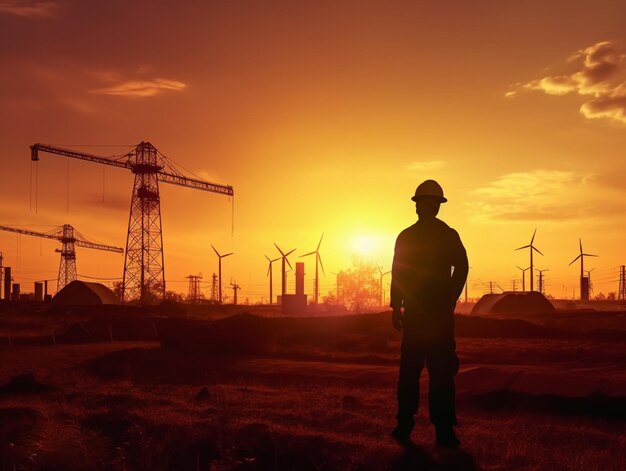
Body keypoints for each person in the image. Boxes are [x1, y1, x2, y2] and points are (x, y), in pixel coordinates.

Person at [390, 179, 468, 447]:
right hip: (421, 314)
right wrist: (395, 305)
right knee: (415, 372)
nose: (424, 207)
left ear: (432, 206)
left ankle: (440, 428)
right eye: (423, 203)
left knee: (439, 373)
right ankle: (408, 424)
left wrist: (449, 299)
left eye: (427, 203)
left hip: (432, 315)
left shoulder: (441, 235)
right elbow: (397, 272)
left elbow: (462, 267)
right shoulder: (415, 236)